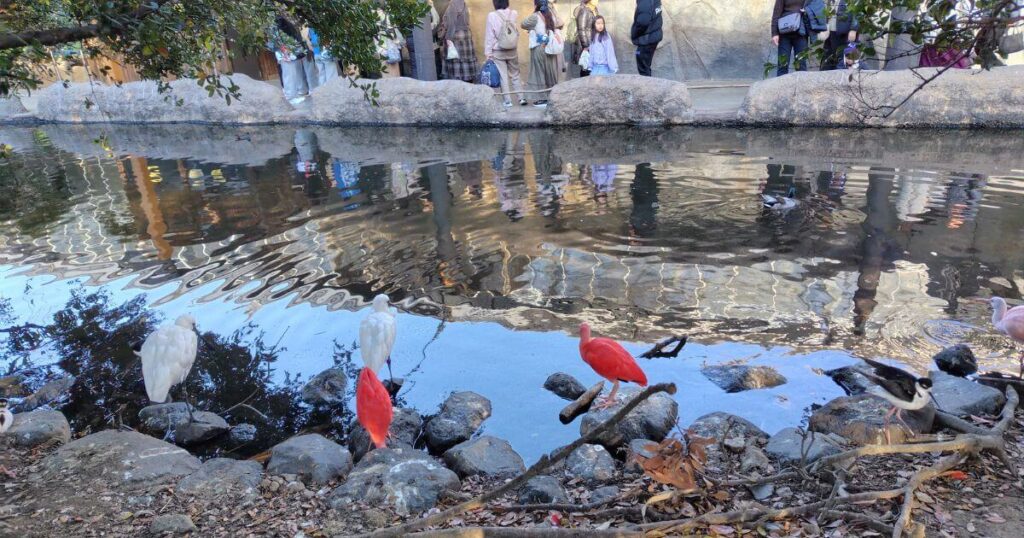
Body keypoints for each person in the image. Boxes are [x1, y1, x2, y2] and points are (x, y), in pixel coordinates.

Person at [485, 0, 527, 108]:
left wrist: (488, 52)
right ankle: (521, 98)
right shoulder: (513, 13)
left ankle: (508, 101)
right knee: (515, 74)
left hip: (498, 50)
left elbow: (490, 36)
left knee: (503, 76)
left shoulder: (491, 15)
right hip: (512, 49)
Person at [268, 12, 316, 104]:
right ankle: (291, 97)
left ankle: (294, 95)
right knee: (289, 75)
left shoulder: (278, 21)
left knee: (291, 74)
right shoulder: (278, 22)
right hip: (286, 52)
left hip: (288, 52)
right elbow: (281, 38)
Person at [522, 0, 561, 107]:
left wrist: (532, 26)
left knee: (539, 73)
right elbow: (560, 24)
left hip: (539, 48)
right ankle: (552, 97)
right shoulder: (551, 15)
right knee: (550, 73)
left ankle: (542, 99)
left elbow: (523, 24)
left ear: (536, 4)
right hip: (550, 48)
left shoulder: (535, 17)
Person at [438, 0, 479, 82]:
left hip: (455, 35)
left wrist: (448, 38)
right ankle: (467, 79)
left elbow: (451, 24)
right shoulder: (463, 3)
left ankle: (458, 81)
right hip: (466, 35)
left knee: (455, 59)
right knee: (465, 59)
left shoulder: (453, 5)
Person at [771, 0, 809, 75]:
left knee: (801, 65)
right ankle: (781, 83)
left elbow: (815, 7)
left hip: (801, 32)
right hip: (784, 33)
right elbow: (776, 13)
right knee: (782, 65)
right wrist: (774, 33)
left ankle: (801, 83)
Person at [820, 0, 858, 71]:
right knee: (827, 62)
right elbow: (827, 14)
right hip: (830, 35)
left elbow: (858, 12)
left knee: (846, 62)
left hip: (846, 35)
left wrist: (854, 29)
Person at [631, 0, 662, 77]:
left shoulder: (645, 1)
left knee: (643, 68)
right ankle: (648, 81)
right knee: (644, 63)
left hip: (647, 39)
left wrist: (634, 34)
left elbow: (643, 22)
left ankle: (647, 84)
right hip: (652, 38)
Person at [572, 0, 599, 77]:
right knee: (586, 68)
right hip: (586, 44)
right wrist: (585, 45)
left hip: (592, 42)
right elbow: (581, 29)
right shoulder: (584, 11)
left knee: (590, 68)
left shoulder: (594, 10)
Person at [377, 9, 405, 78]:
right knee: (394, 73)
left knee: (387, 74)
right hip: (391, 48)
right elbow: (396, 34)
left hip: (382, 49)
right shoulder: (389, 17)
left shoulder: (375, 18)